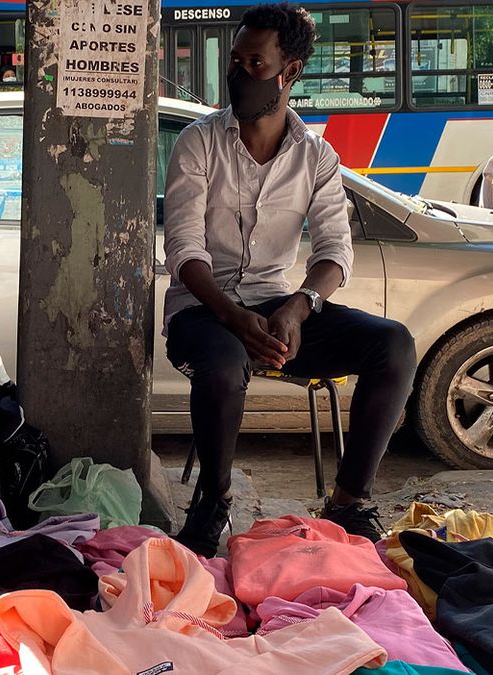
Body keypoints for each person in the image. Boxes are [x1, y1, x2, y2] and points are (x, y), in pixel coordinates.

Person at [162, 2, 417, 556]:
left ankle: (349, 501)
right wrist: (234, 318)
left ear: (290, 71)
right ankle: (212, 501)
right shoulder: (198, 143)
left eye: (255, 63)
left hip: (278, 309)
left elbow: (334, 252)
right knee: (226, 363)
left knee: (393, 344)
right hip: (201, 312)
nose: (238, 73)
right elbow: (183, 248)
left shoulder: (317, 156)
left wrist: (299, 306)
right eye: (236, 60)